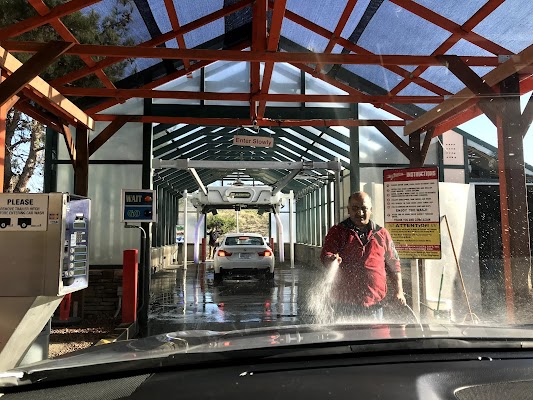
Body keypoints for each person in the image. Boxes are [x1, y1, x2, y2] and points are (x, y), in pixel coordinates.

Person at [320, 191, 406, 321]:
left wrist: (399, 291)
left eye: (364, 208)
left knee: (375, 339)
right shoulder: (338, 232)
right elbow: (326, 254)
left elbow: (394, 263)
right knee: (346, 340)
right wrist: (331, 259)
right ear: (348, 210)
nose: (359, 213)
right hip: (345, 304)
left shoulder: (382, 233)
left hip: (375, 305)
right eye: (355, 208)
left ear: (370, 210)